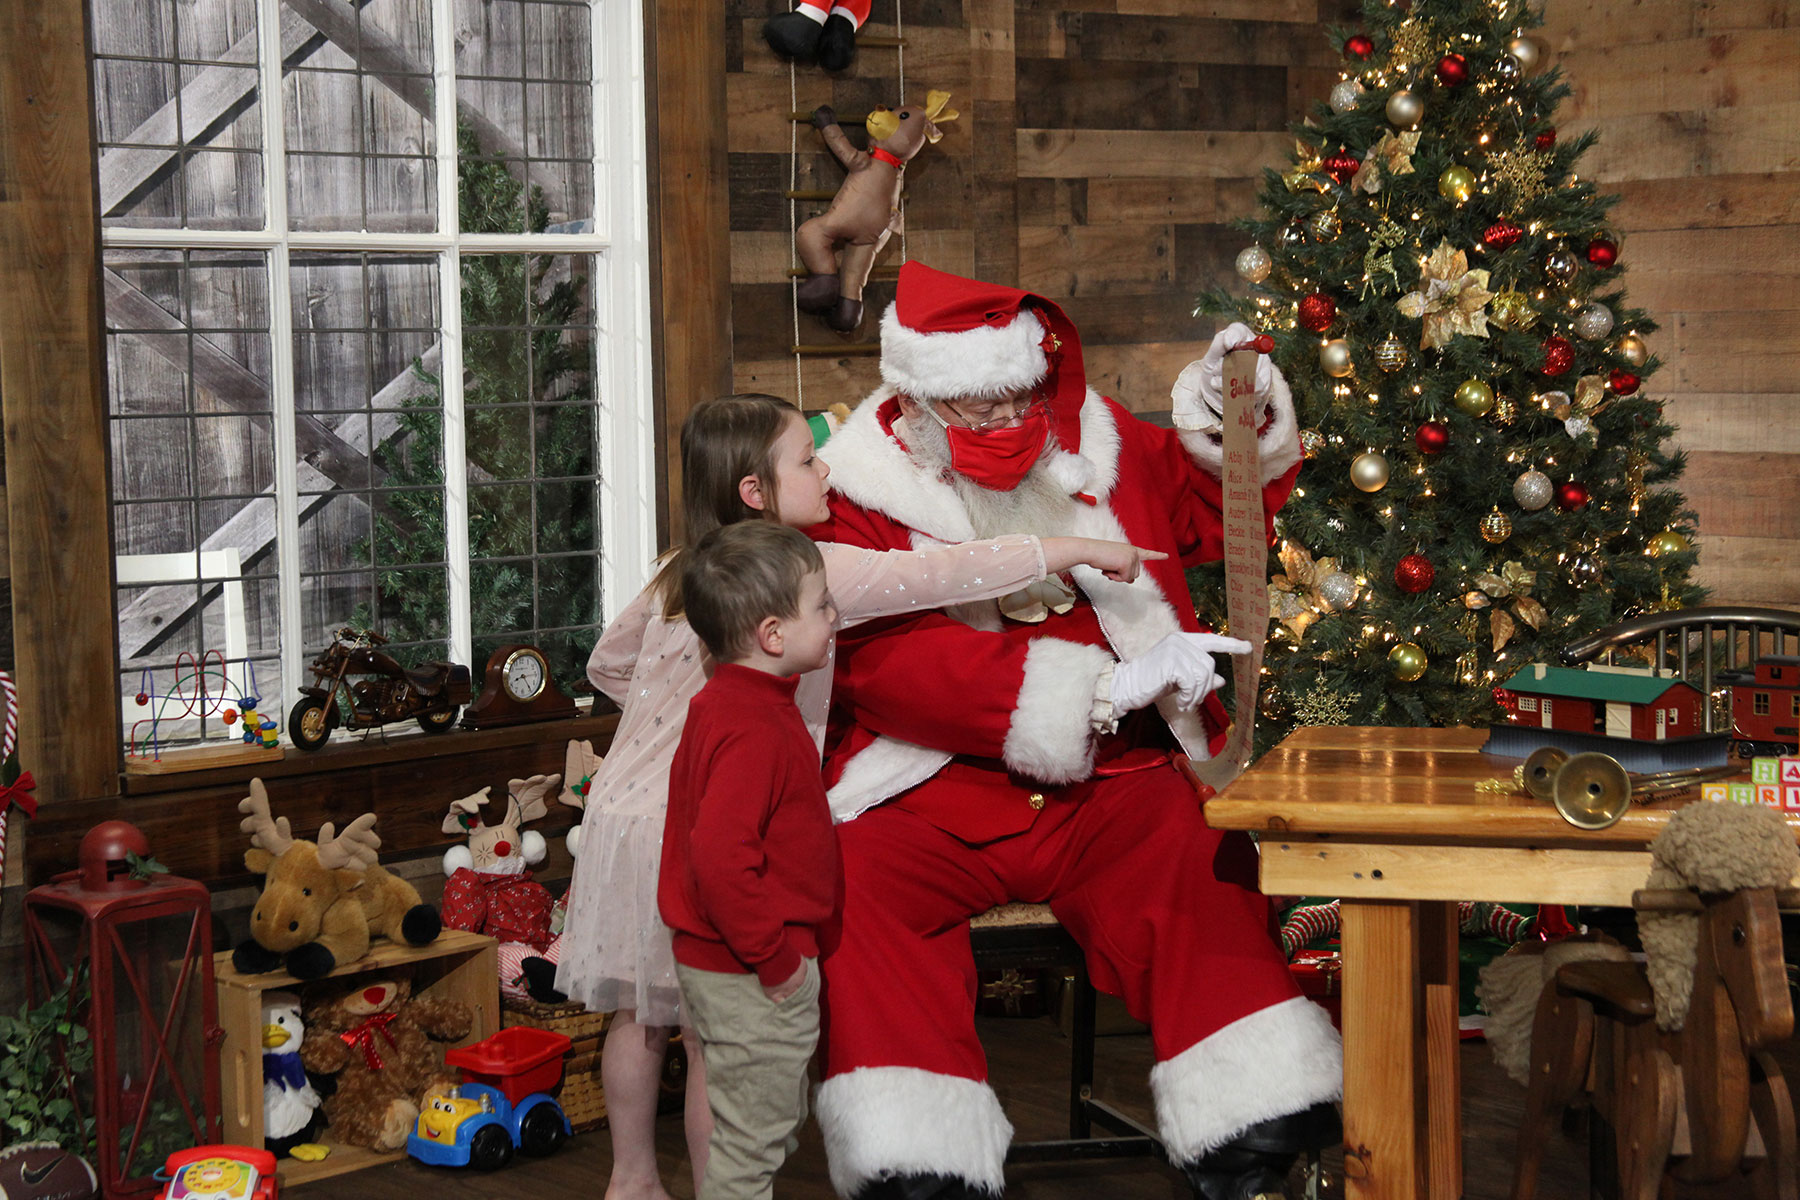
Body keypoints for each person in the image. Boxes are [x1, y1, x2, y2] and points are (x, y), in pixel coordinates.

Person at [805, 262, 1343, 1200]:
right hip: (930, 784)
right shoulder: (856, 487)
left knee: (1197, 860)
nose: (1007, 421)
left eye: (1019, 397)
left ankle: (1252, 1141)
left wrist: (1232, 418)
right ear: (916, 401)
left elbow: (1211, 512)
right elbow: (875, 660)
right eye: (977, 407)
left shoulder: (1096, 435)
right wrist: (1087, 691)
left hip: (1111, 782)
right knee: (854, 888)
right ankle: (917, 1169)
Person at [555, 392, 1163, 1200]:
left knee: (638, 1015)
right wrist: (1078, 547)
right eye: (806, 460)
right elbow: (945, 571)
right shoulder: (803, 570)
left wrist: (662, 715)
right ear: (754, 491)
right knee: (712, 1041)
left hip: (623, 808)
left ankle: (631, 1180)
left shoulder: (681, 568)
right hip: (699, 816)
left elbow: (607, 664)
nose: (826, 470)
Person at [658, 520, 840, 1199]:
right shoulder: (753, 726)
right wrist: (776, 961)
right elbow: (719, 856)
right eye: (821, 604)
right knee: (750, 1149)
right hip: (752, 969)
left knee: (769, 1123)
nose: (834, 616)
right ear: (772, 635)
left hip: (736, 965)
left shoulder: (729, 702)